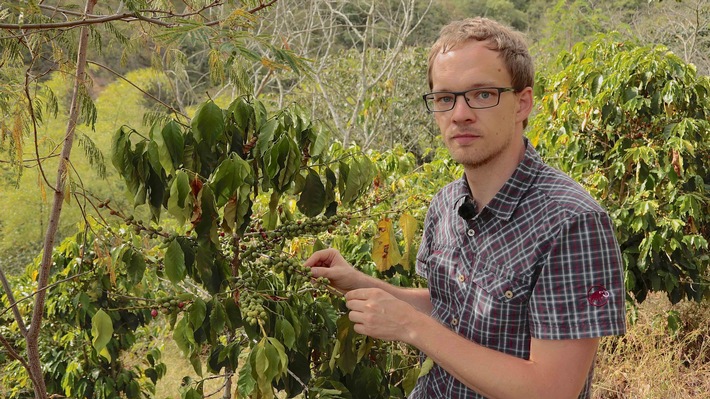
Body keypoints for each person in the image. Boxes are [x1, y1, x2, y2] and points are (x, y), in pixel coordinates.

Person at [305, 17, 626, 399]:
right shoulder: (446, 204)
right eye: (445, 98)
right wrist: (359, 281)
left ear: (522, 102)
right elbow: (449, 306)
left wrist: (410, 327)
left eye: (483, 94)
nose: (460, 114)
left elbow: (553, 389)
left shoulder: (572, 221)